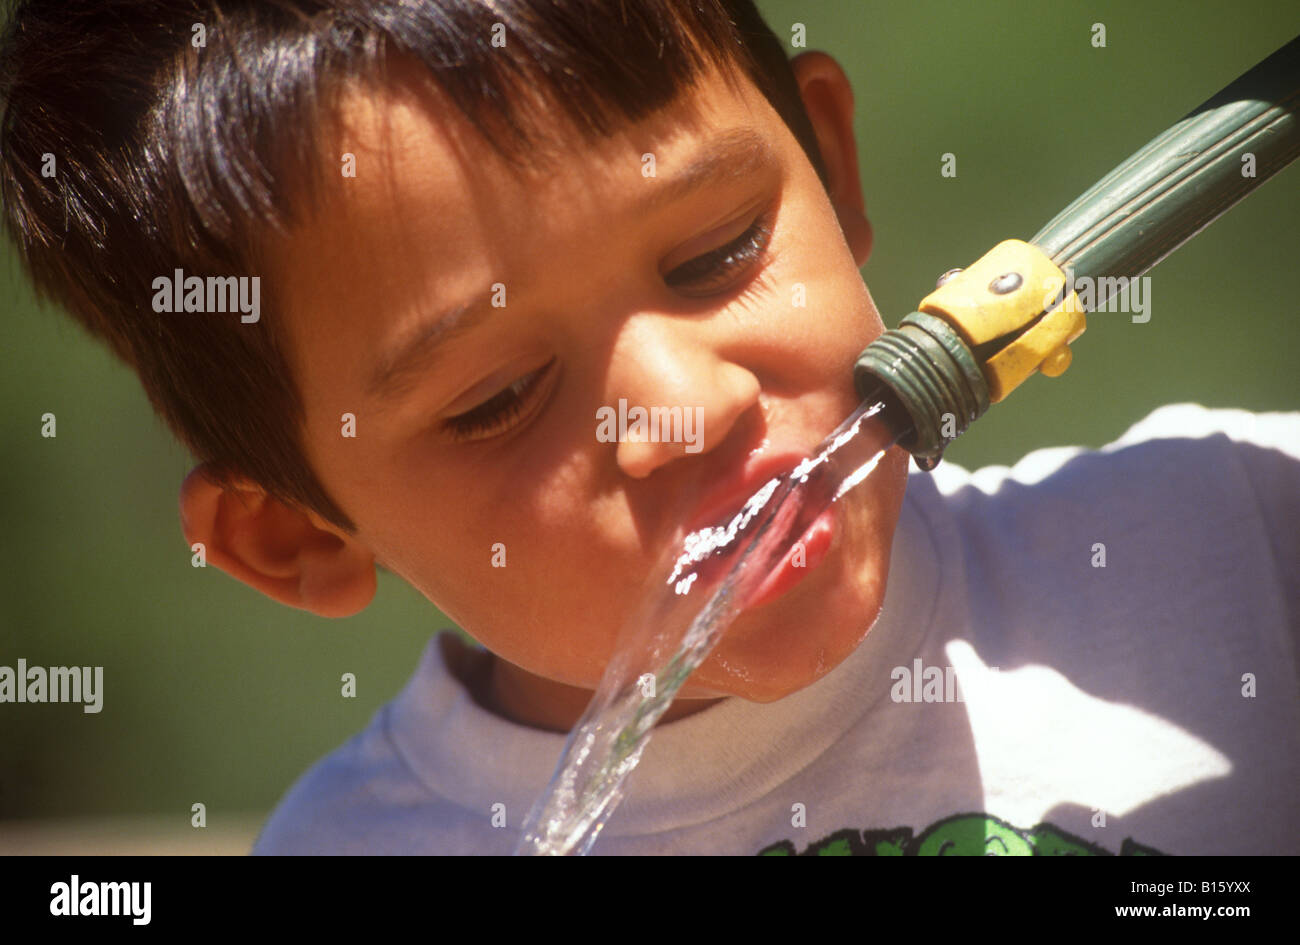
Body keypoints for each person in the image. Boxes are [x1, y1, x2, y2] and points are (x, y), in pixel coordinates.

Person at [2, 0, 1295, 855]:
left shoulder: (1239, 536)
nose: (687, 406)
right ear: (293, 533)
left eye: (720, 251)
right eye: (495, 398)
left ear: (835, 177)